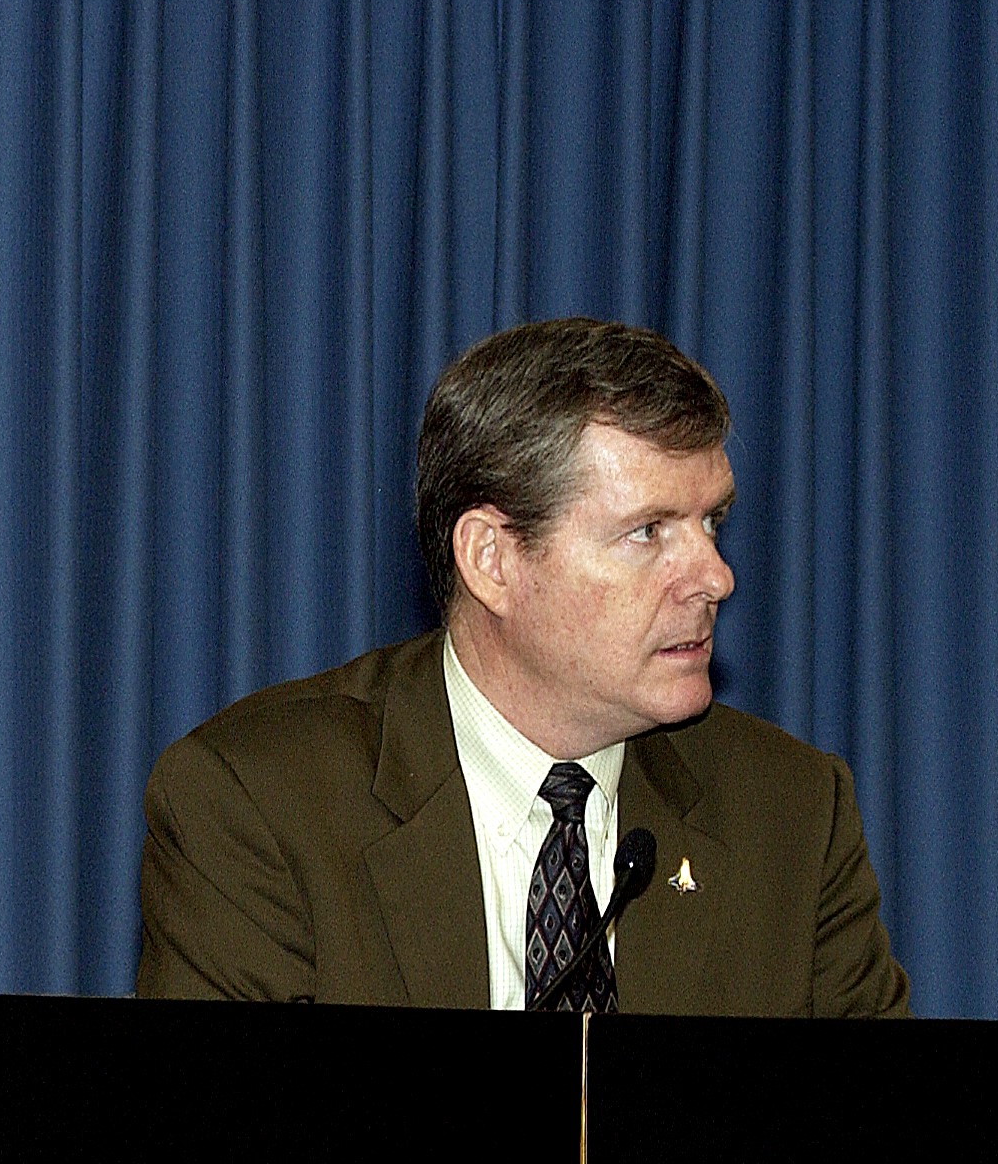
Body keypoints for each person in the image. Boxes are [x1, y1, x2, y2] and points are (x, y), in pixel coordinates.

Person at [137, 316, 907, 1015]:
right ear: (492, 559)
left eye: (712, 522)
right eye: (648, 532)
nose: (715, 576)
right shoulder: (259, 805)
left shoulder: (794, 818)